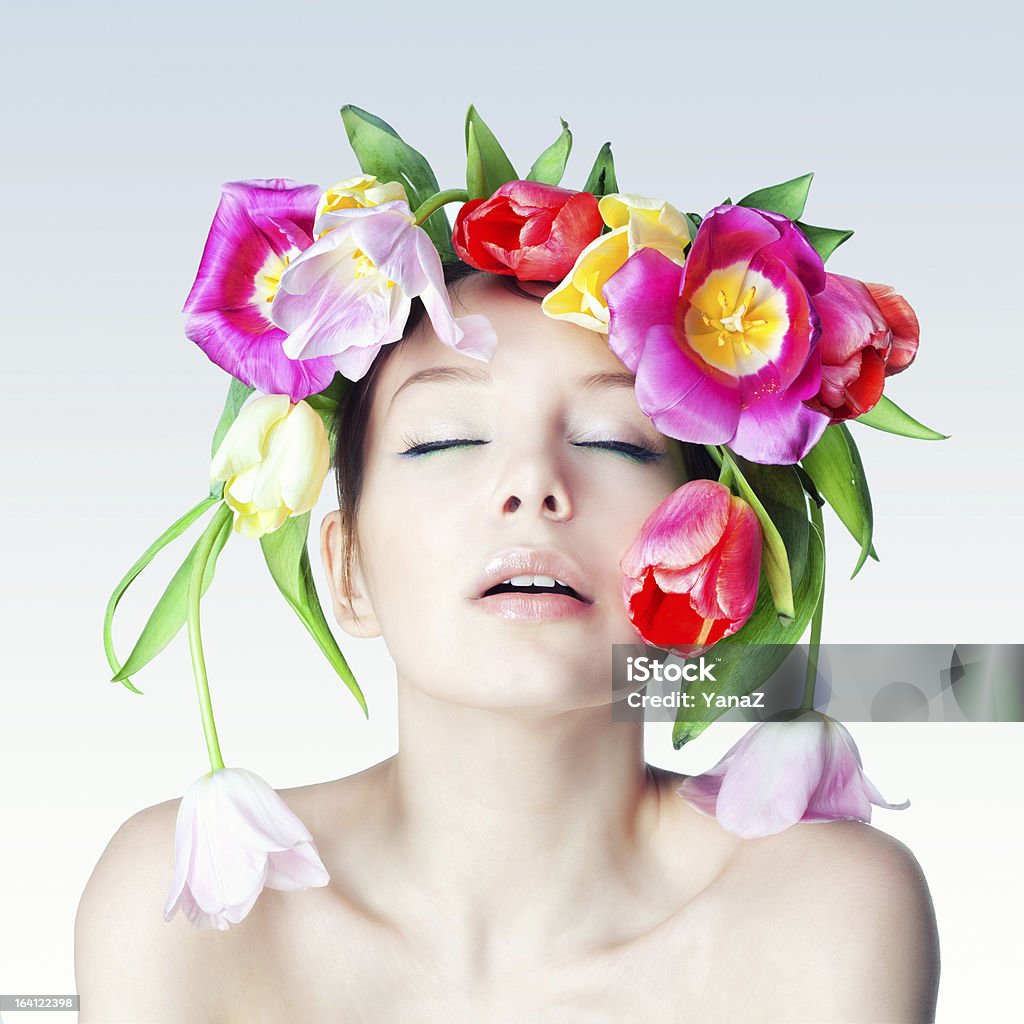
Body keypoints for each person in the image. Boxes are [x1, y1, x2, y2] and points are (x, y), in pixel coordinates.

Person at [75, 266, 940, 1022]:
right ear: (347, 571)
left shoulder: (824, 912)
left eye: (611, 441)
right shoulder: (193, 904)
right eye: (447, 437)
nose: (533, 483)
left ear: (712, 566)